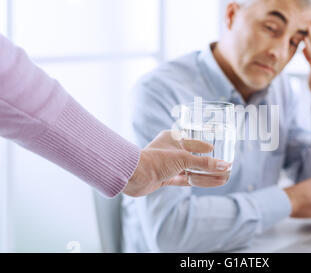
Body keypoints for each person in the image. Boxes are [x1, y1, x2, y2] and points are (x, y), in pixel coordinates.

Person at [122, 0, 311, 253]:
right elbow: (170, 235)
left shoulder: (282, 91)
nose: (279, 52)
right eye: (270, 27)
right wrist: (287, 200)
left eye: (294, 42)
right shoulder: (161, 92)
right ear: (231, 15)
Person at [0, 33, 230, 198]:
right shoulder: (162, 87)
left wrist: (136, 168)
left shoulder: (265, 96)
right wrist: (135, 168)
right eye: (267, 28)